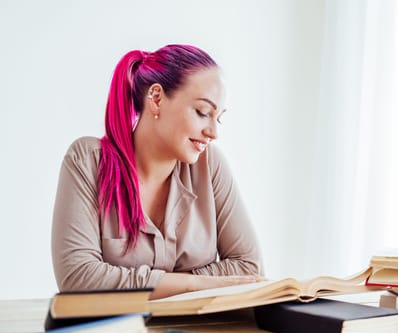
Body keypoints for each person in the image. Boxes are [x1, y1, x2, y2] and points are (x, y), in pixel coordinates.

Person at [51, 44, 263, 299]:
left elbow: (250, 269)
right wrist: (195, 286)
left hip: (198, 332)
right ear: (156, 98)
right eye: (202, 112)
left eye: (217, 117)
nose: (213, 132)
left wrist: (156, 285)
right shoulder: (88, 161)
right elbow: (78, 278)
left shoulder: (210, 165)